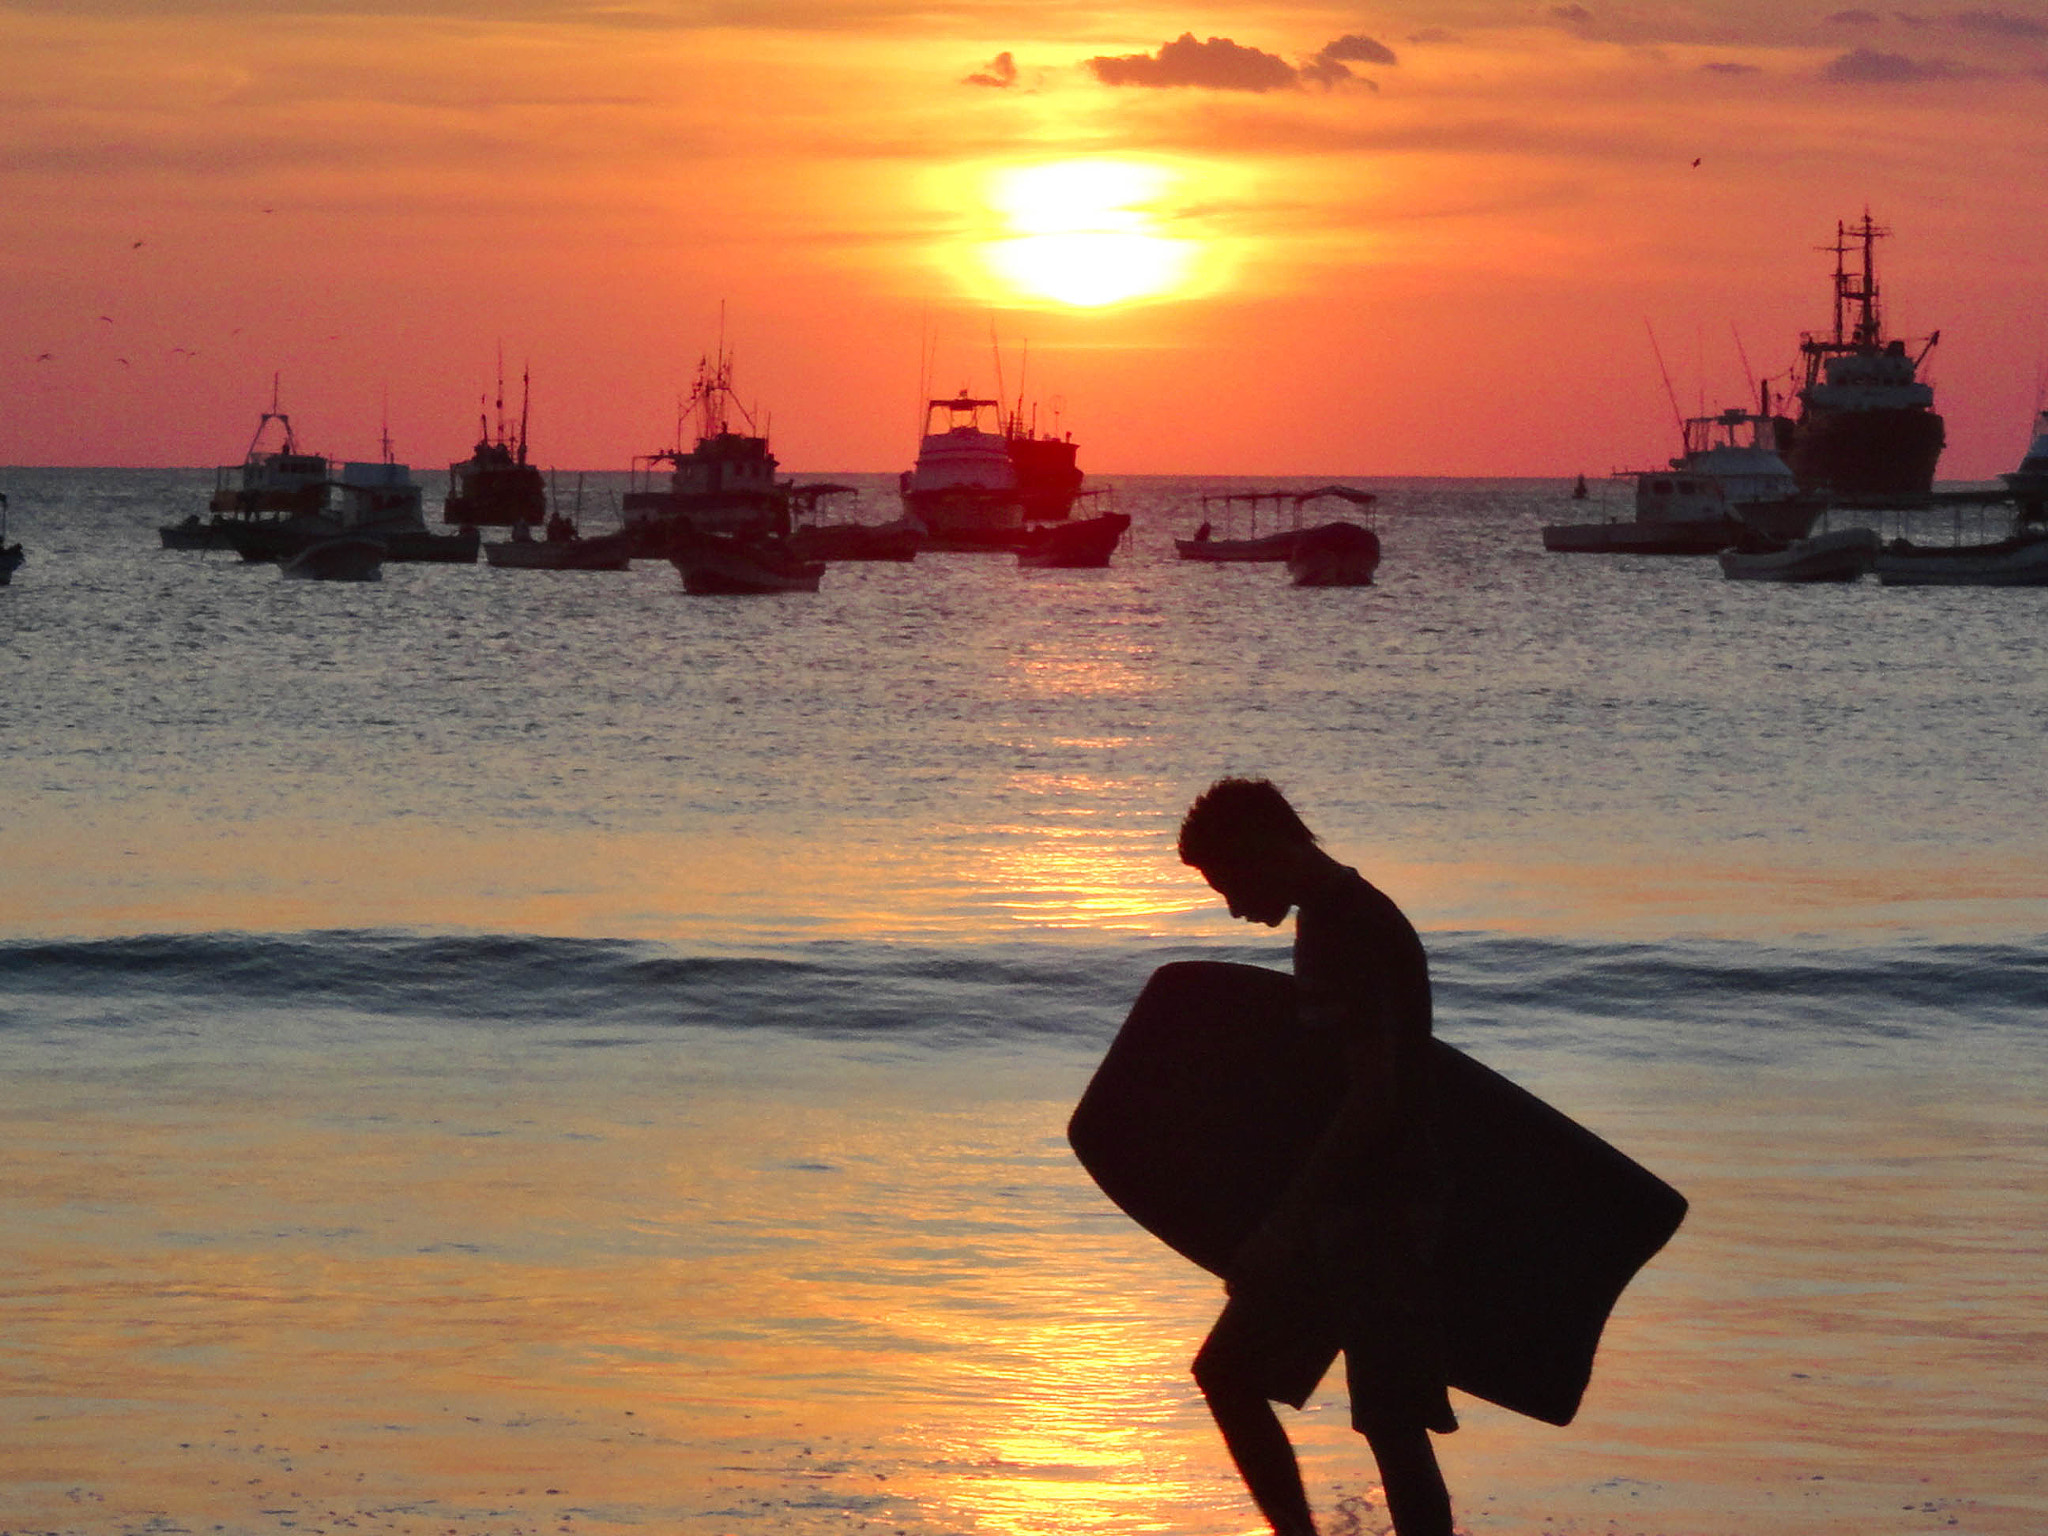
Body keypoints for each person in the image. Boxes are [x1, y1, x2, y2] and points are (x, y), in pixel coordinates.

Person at [1176, 777, 1456, 1536]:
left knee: (1388, 1421)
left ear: (1265, 849)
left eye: (1226, 880)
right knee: (1383, 1423)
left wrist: (1287, 1225)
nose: (1231, 905)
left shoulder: (1348, 932)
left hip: (1376, 1216)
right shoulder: (1341, 917)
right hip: (1365, 1206)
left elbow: (1373, 1096)